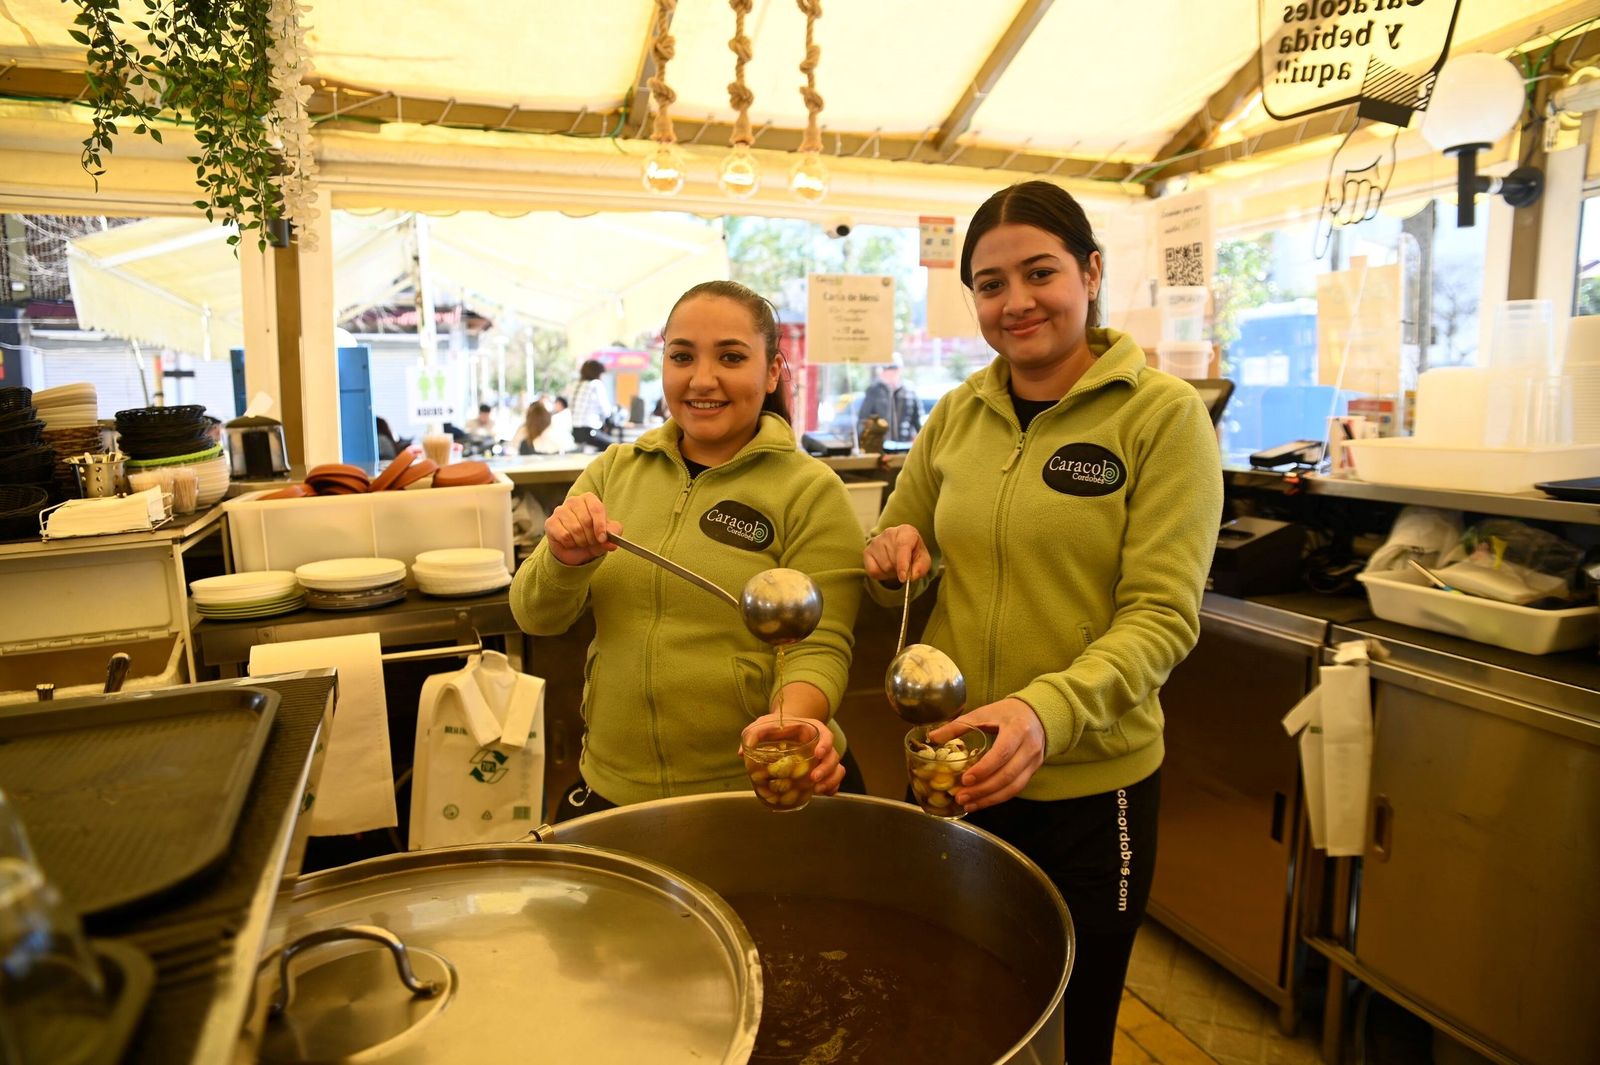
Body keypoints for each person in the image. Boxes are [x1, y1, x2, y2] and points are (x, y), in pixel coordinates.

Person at [861, 181, 1222, 1065]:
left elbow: (1163, 616)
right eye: (990, 283)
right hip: (954, 767)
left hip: (1094, 788)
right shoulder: (955, 415)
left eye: (1039, 272)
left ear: (1091, 272)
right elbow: (893, 576)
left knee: (1072, 1024)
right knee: (958, 998)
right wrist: (892, 553)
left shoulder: (1162, 417)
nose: (1016, 302)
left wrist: (1042, 713)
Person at [511, 280, 866, 819]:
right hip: (615, 786)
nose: (703, 380)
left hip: (757, 788)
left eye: (731, 356)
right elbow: (535, 616)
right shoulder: (612, 472)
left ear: (772, 370)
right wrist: (563, 558)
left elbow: (819, 645)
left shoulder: (810, 491)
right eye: (682, 356)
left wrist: (791, 730)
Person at [857, 354, 921, 443]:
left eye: (893, 368)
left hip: (905, 444)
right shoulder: (874, 390)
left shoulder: (909, 390)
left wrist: (921, 440)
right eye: (885, 369)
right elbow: (863, 419)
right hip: (880, 445)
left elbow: (917, 419)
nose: (889, 372)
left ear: (899, 369)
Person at [570, 360, 616, 450]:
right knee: (614, 448)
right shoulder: (596, 384)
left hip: (575, 432)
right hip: (589, 432)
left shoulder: (576, 385)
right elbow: (606, 411)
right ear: (598, 372)